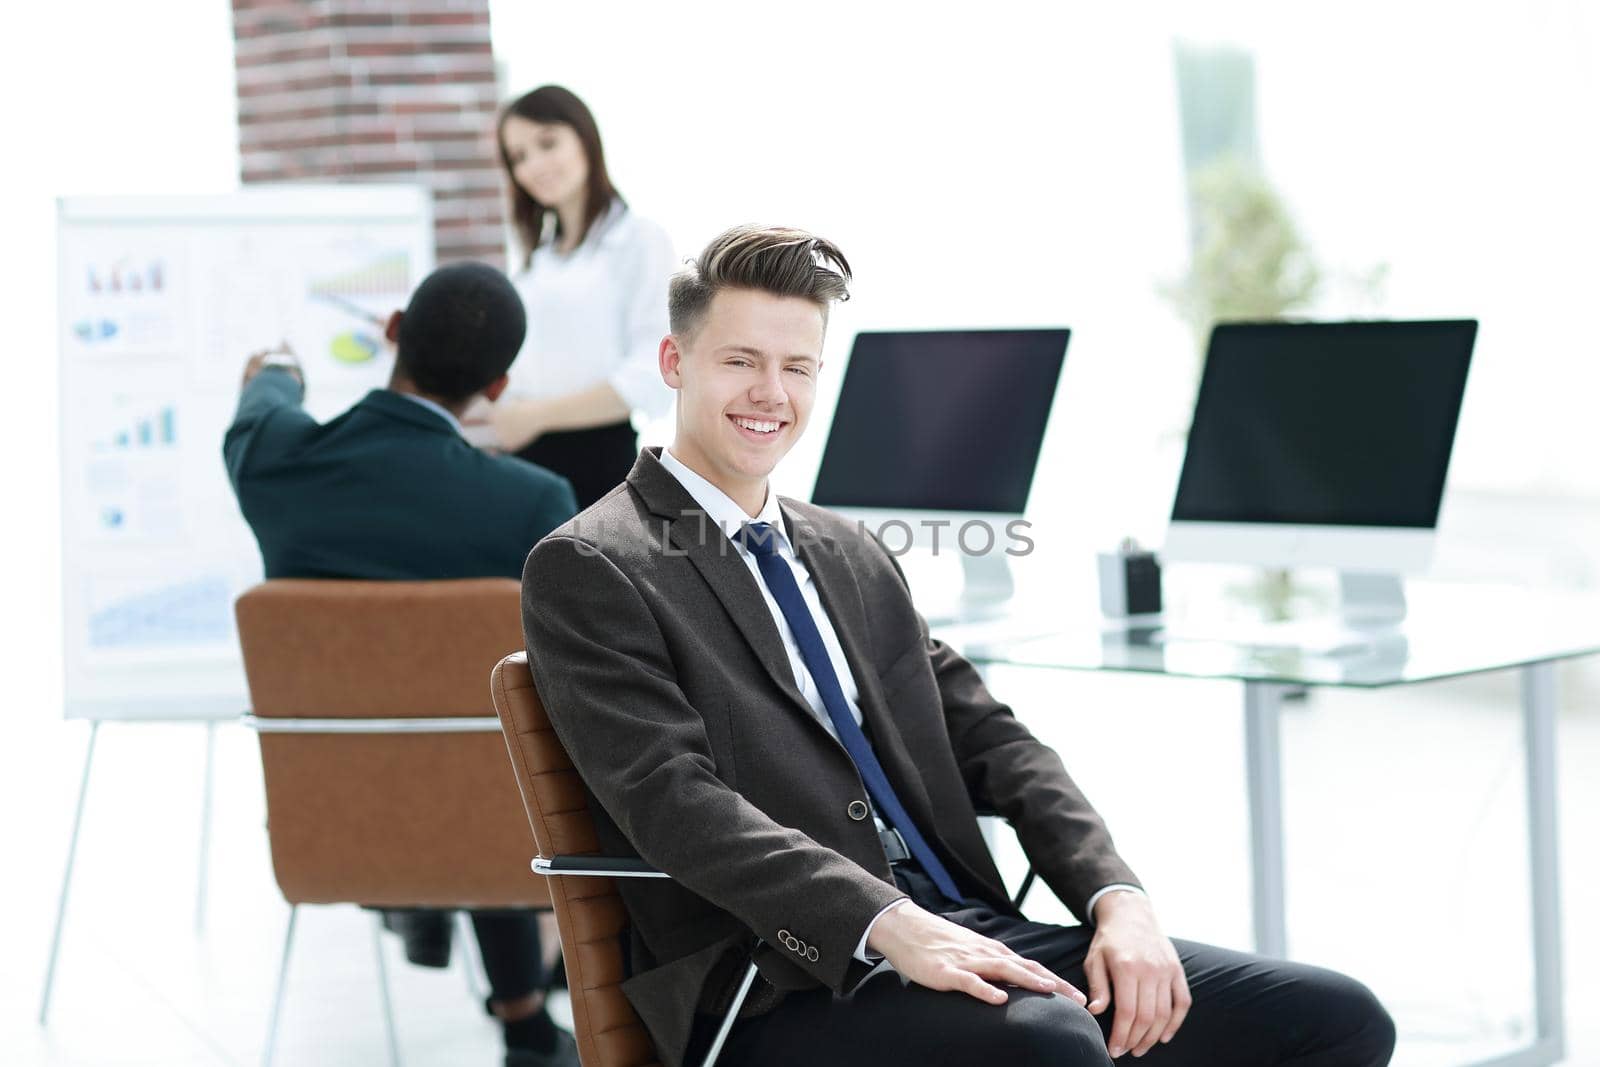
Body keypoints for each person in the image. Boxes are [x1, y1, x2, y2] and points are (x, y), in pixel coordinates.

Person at [519, 226, 1397, 1067]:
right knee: (1052, 1042)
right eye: (741, 361)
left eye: (797, 367)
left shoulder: (846, 549)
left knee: (1333, 1020)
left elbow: (993, 738)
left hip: (966, 923)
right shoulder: (594, 563)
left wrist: (1114, 897)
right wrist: (885, 922)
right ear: (675, 363)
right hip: (784, 975)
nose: (771, 394)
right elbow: (675, 802)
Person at [224, 262, 579, 1067]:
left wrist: (279, 370)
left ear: (390, 331)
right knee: (498, 736)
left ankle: (418, 905)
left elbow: (262, 402)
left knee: (457, 737)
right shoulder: (531, 502)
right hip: (485, 820)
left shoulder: (273, 460)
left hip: (335, 813)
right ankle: (525, 1019)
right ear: (495, 387)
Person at [485, 84, 677, 509]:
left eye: (547, 143)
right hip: (524, 461)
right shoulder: (538, 262)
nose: (534, 165)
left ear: (585, 138)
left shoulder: (638, 240)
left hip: (596, 461)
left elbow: (653, 372)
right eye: (518, 157)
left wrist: (536, 416)